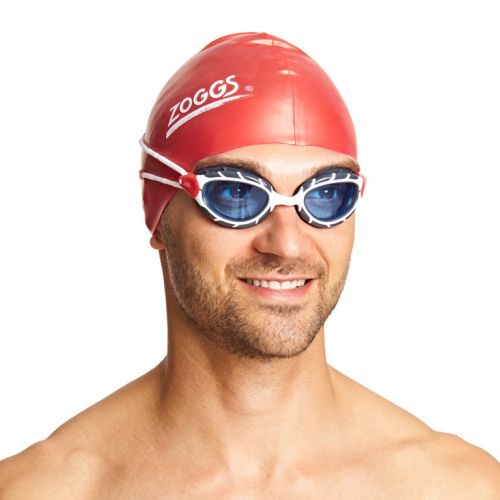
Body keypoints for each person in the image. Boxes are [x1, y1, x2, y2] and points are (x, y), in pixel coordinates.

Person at [1, 31, 499, 499]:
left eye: (327, 195)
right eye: (236, 194)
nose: (288, 245)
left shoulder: (457, 488)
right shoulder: (43, 490)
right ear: (159, 218)